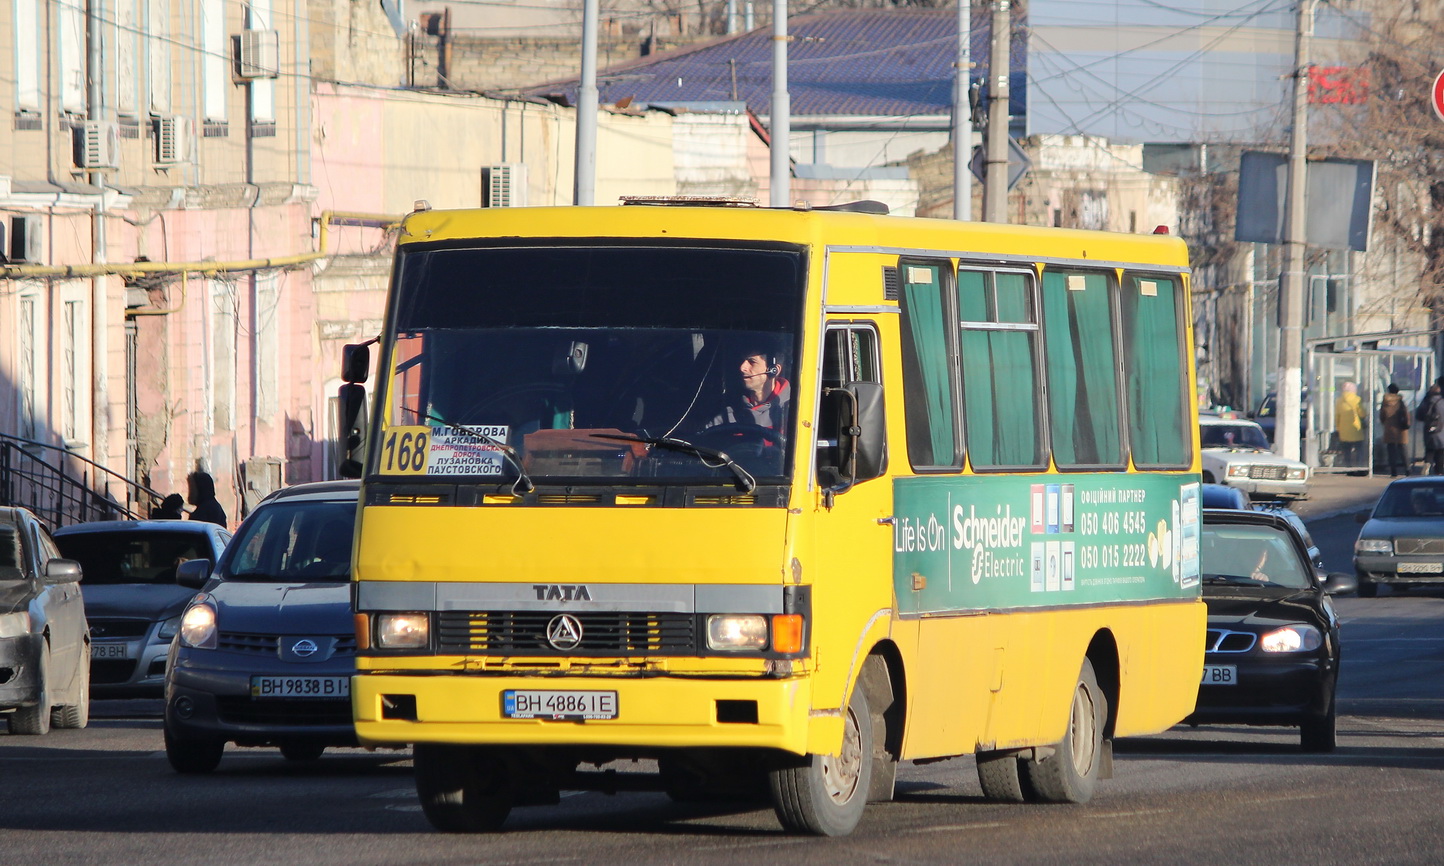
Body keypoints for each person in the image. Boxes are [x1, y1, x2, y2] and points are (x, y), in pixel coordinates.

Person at [707, 343, 792, 436]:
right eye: (742, 360)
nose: (742, 368)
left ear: (774, 370)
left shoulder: (794, 411)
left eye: (752, 362)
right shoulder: (726, 409)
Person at [1378, 384, 1412, 477]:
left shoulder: (1385, 402)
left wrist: (1385, 423)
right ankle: (1407, 469)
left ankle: (1393, 471)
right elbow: (1406, 414)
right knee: (1403, 449)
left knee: (1391, 450)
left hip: (1389, 428)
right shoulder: (1400, 401)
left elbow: (1382, 415)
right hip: (1401, 429)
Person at [1333, 381, 1365, 467]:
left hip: (1343, 431)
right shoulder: (1357, 399)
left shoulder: (1339, 401)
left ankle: (1348, 467)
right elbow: (1362, 414)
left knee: (1346, 451)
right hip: (1355, 429)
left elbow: (1337, 417)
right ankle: (1359, 467)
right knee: (1359, 449)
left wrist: (1338, 429)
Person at [1417, 378, 1444, 475]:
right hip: (1441, 432)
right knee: (1440, 452)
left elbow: (1419, 415)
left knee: (1429, 450)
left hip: (1429, 430)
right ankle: (1439, 472)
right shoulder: (1442, 402)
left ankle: (1427, 464)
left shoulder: (1426, 401)